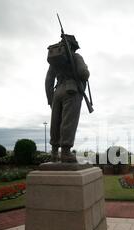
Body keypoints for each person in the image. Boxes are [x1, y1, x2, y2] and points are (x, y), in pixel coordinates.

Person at [45, 35, 90, 163]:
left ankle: (54, 152)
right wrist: (86, 69)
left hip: (57, 92)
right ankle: (65, 152)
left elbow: (48, 80)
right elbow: (83, 73)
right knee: (68, 121)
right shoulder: (76, 57)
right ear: (74, 47)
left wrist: (50, 99)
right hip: (71, 91)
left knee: (55, 122)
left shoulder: (55, 61)